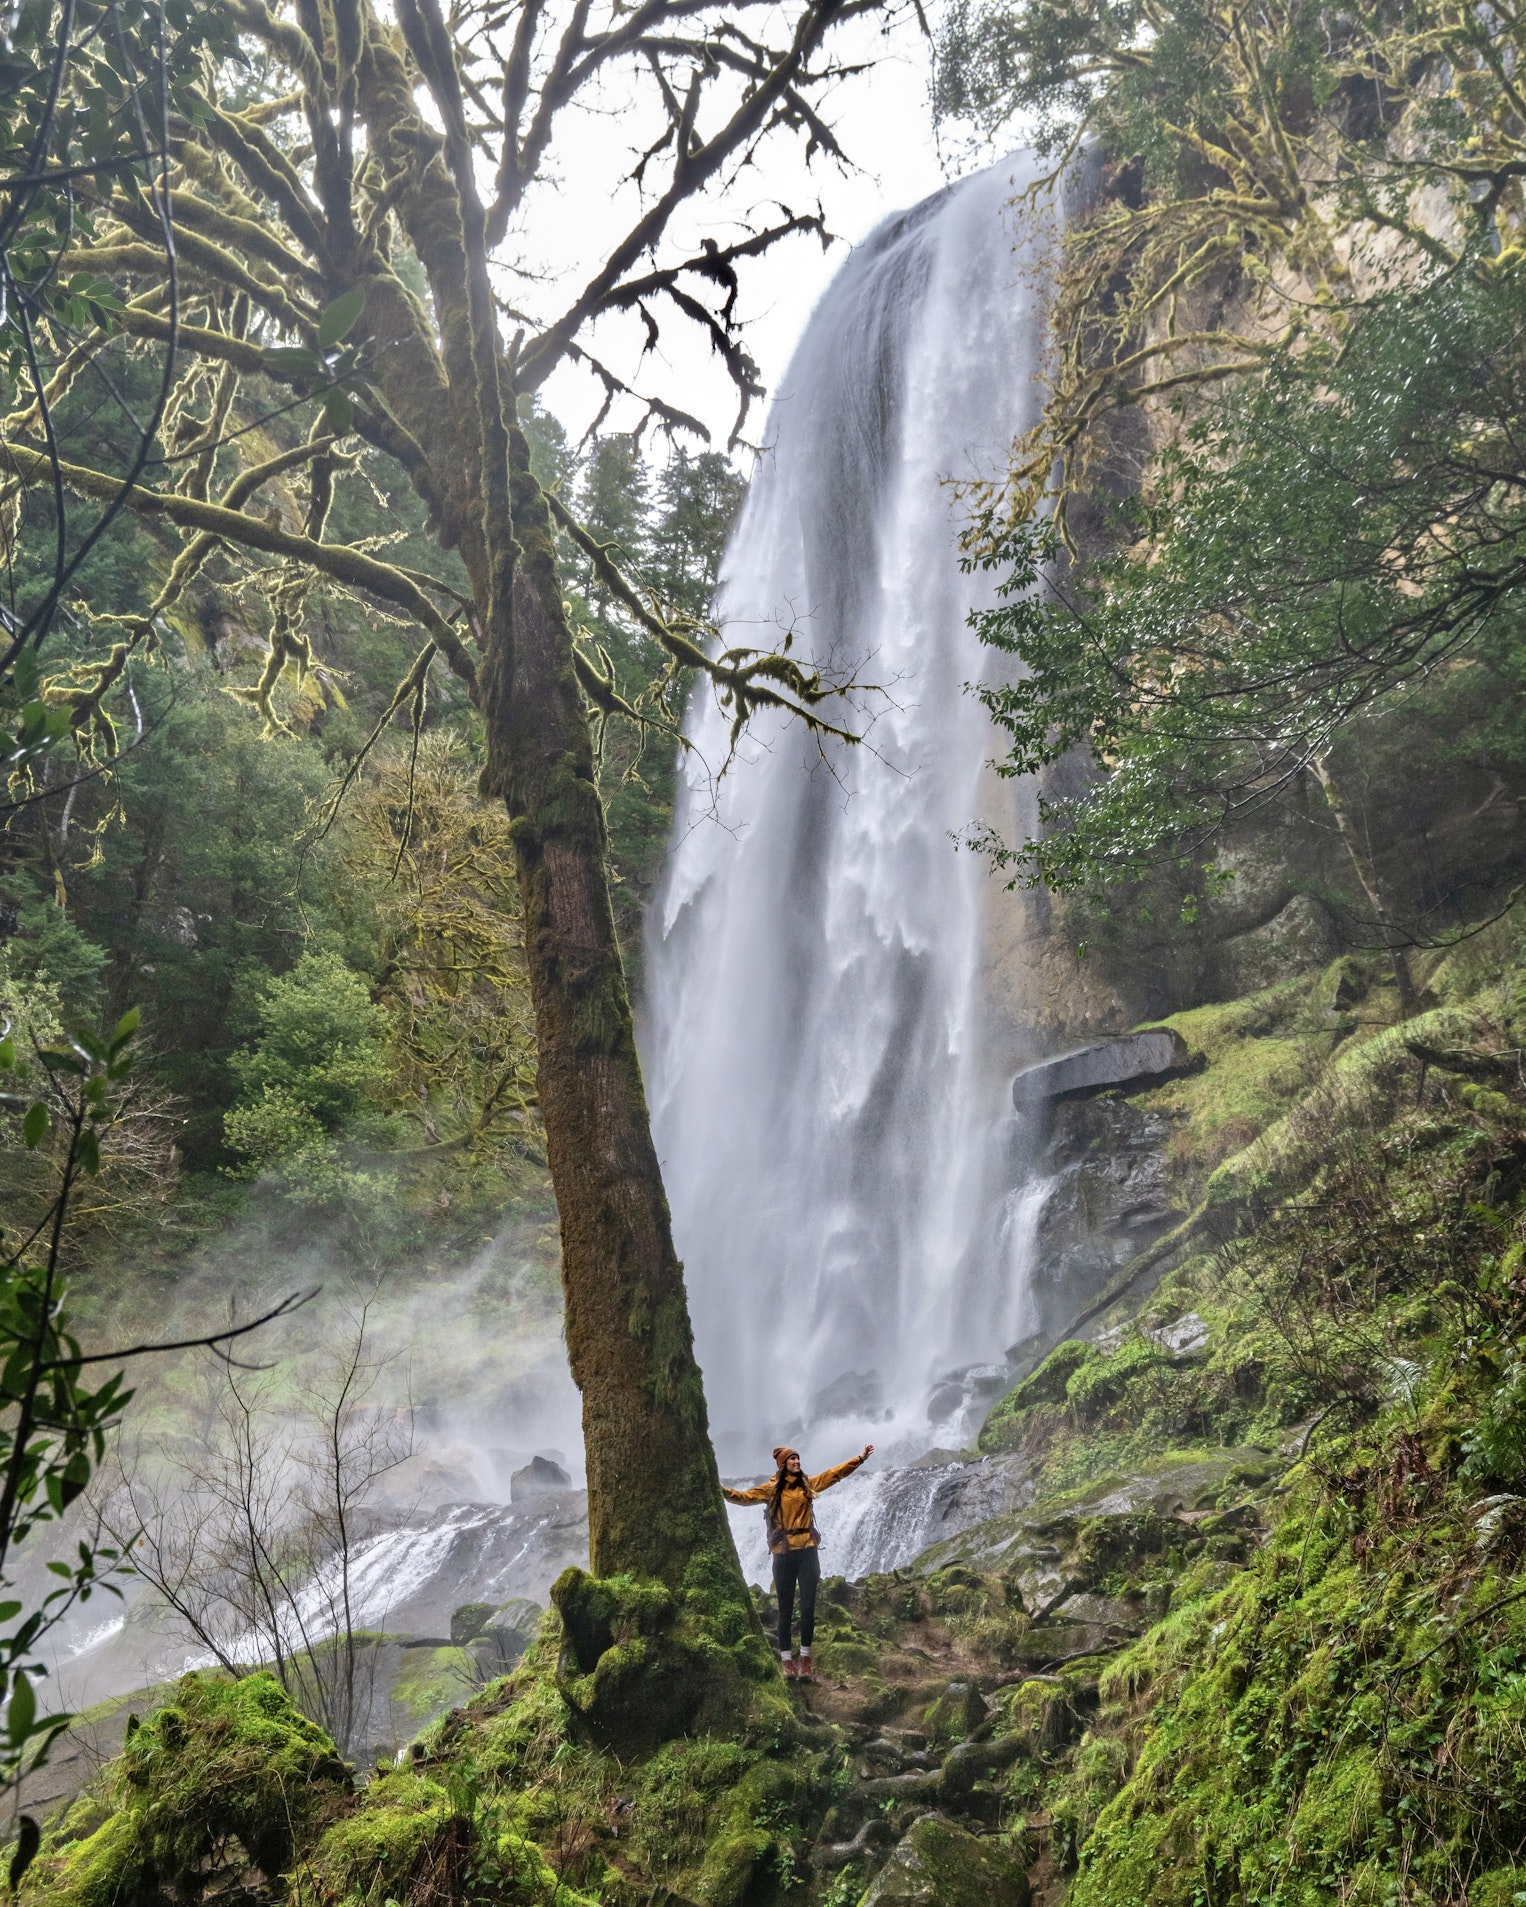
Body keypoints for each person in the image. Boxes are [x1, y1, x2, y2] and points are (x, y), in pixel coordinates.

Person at [722, 1442, 874, 1682]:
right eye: (792, 1459)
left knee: (808, 1607)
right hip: (783, 1554)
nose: (797, 1462)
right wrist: (721, 1490)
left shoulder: (807, 1484)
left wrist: (860, 1458)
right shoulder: (771, 1489)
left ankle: (805, 1658)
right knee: (785, 1609)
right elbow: (744, 1497)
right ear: (783, 1464)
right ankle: (786, 1661)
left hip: (807, 1552)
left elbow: (835, 1474)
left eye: (798, 1458)